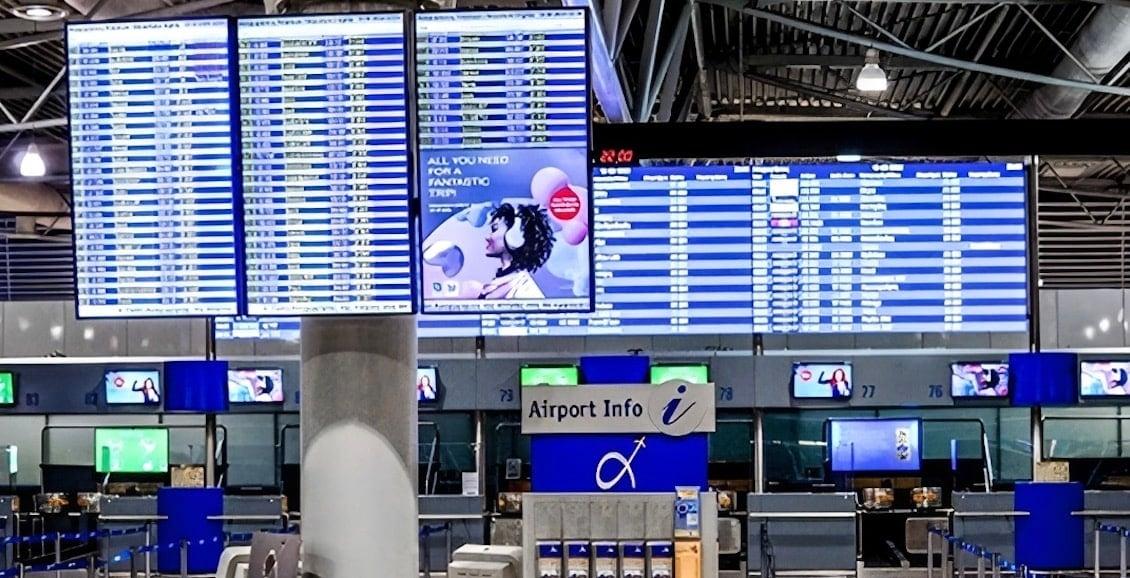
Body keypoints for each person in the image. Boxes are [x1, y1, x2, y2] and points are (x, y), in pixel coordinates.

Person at [479, 203, 555, 299]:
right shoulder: (507, 282)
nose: (487, 237)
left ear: (515, 236)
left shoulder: (526, 291)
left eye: (495, 229)